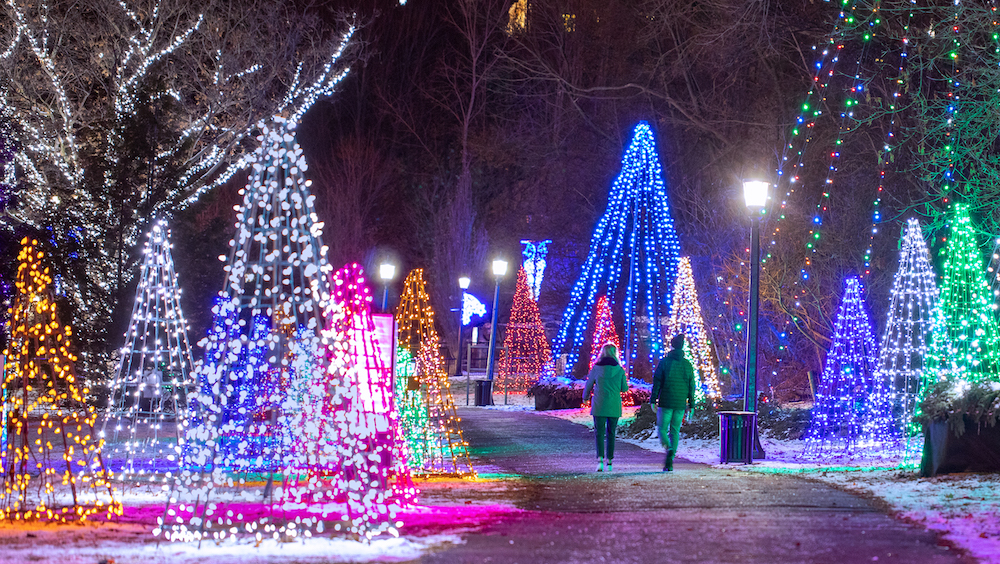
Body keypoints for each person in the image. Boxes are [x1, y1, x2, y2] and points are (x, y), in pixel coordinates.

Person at [650, 334, 695, 472]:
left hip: (666, 401)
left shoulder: (664, 362)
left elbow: (657, 381)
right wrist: (691, 404)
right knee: (675, 431)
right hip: (680, 403)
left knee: (662, 429)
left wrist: (653, 399)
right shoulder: (687, 364)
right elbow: (691, 385)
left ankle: (668, 448)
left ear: (672, 346)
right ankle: (671, 458)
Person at [583, 343, 628, 472]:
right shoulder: (619, 370)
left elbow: (589, 384)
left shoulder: (596, 368)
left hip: (599, 404)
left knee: (599, 433)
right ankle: (610, 461)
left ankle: (600, 460)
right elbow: (624, 389)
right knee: (611, 433)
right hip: (614, 404)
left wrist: (585, 397)